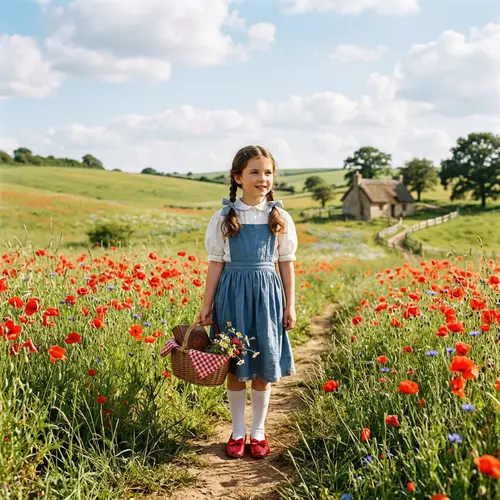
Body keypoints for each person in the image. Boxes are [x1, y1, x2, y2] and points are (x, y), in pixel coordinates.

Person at [197, 144, 298, 460]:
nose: (263, 178)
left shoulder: (278, 216)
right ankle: (238, 429)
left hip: (268, 295)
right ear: (238, 177)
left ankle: (259, 431)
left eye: (267, 172)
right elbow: (216, 263)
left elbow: (286, 261)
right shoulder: (225, 216)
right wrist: (207, 304)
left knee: (263, 363)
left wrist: (290, 304)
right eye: (255, 172)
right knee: (235, 362)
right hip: (232, 296)